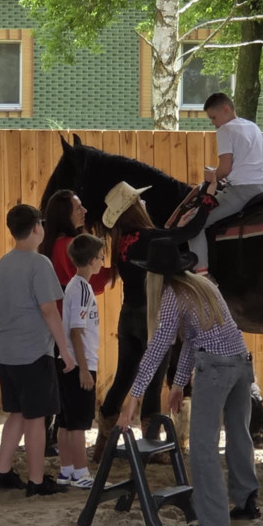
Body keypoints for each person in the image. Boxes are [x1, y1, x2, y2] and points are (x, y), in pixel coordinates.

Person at [116, 237, 260, 526]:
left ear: (154, 273)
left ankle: (213, 524)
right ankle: (247, 501)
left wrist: (135, 394)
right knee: (239, 435)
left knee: (202, 448)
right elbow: (193, 340)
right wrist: (179, 383)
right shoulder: (204, 286)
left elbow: (158, 347)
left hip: (216, 369)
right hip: (241, 363)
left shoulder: (171, 296)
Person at [0, 204, 75, 497]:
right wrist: (65, 350)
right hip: (33, 352)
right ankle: (37, 481)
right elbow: (49, 310)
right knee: (36, 418)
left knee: (16, 413)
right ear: (38, 227)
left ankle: (1, 472)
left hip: (5, 350)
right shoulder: (40, 264)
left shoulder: (3, 262)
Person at [93, 181, 167, 454]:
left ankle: (103, 440)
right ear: (135, 208)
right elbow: (184, 235)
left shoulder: (121, 240)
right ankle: (152, 444)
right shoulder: (151, 236)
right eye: (139, 201)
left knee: (124, 377)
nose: (143, 203)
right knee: (154, 383)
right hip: (152, 317)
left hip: (129, 316)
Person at [187, 92, 263, 276]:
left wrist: (212, 176)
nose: (213, 123)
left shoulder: (225, 130)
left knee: (194, 222)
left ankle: (202, 276)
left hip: (242, 191)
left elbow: (225, 169)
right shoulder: (252, 126)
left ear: (226, 109)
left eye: (213, 117)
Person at [55, 234, 106, 489]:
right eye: (100, 257)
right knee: (77, 424)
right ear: (90, 260)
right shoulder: (83, 289)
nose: (102, 262)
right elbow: (76, 331)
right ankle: (81, 473)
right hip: (79, 364)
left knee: (65, 421)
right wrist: (84, 369)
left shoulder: (74, 285)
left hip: (69, 363)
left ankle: (66, 470)